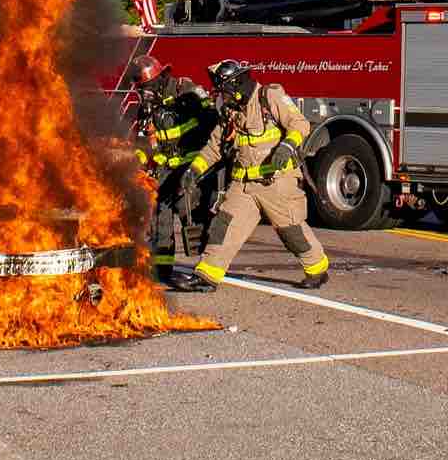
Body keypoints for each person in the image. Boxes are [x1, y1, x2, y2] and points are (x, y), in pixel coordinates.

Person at [171, 59, 328, 293]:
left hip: (275, 183)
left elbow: (300, 124)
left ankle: (317, 269)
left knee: (291, 232)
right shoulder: (230, 111)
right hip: (243, 186)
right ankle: (206, 275)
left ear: (236, 84)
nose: (221, 96)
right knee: (222, 226)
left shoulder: (269, 96)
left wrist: (286, 147)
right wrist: (194, 170)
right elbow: (215, 146)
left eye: (224, 90)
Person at [128, 56, 216, 281]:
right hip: (165, 168)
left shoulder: (184, 90)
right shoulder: (147, 109)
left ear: (159, 79)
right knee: (160, 217)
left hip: (191, 164)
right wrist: (137, 162)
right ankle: (162, 268)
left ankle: (209, 264)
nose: (144, 93)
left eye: (146, 87)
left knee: (192, 211)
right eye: (141, 89)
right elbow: (141, 143)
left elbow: (210, 119)